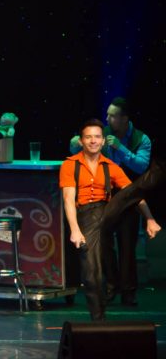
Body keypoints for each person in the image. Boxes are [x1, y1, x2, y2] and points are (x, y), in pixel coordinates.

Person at [60, 118, 160, 321]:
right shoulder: (70, 165)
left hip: (108, 211)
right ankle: (99, 318)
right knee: (92, 270)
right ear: (81, 141)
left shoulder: (110, 166)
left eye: (97, 137)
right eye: (88, 137)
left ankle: (158, 171)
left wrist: (150, 219)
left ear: (103, 141)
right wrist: (75, 229)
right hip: (85, 217)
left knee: (130, 190)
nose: (93, 141)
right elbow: (69, 200)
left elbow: (132, 195)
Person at [69, 97, 151, 305]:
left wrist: (122, 149)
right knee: (104, 245)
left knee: (127, 246)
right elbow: (80, 150)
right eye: (107, 114)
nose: (107, 119)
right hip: (103, 197)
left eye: (112, 115)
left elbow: (141, 167)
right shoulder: (102, 134)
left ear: (124, 119)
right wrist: (75, 144)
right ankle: (110, 286)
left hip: (128, 197)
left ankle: (128, 292)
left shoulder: (141, 139)